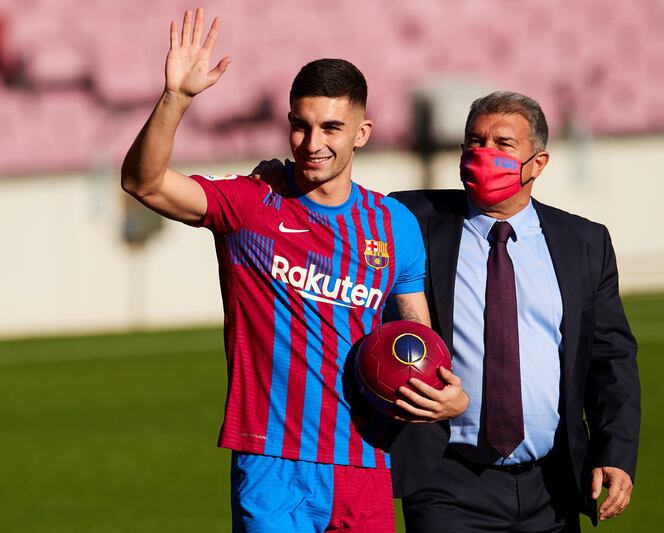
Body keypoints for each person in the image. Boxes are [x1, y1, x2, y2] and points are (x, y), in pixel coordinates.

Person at [120, 9, 467, 532]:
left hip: (364, 459)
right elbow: (143, 183)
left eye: (331, 127)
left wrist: (448, 395)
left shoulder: (393, 225)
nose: (312, 143)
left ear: (362, 133)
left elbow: (419, 341)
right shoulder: (249, 205)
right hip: (270, 460)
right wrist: (177, 98)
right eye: (300, 126)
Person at [388, 91, 641, 532]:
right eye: (474, 141)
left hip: (554, 485)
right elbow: (336, 196)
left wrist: (615, 453)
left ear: (538, 163)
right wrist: (279, 175)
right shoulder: (410, 218)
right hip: (446, 480)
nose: (483, 153)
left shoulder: (584, 242)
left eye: (503, 144)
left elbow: (610, 360)